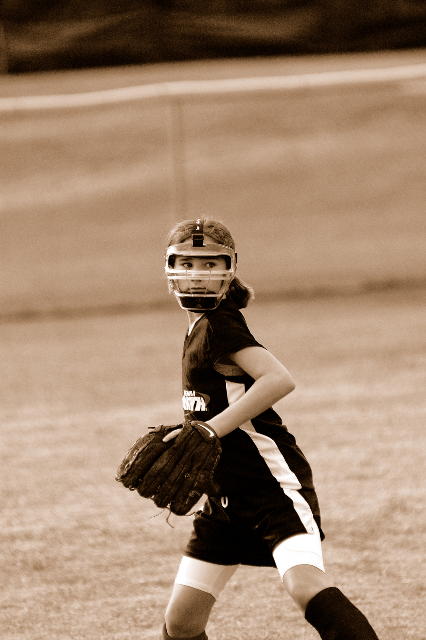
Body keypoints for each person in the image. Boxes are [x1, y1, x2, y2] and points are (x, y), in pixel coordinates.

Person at [159, 217, 379, 640]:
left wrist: (208, 431)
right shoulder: (199, 326)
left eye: (210, 264)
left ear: (230, 269)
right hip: (224, 499)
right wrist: (191, 430)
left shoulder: (220, 324)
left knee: (304, 585)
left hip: (270, 489)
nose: (198, 274)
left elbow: (278, 379)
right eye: (187, 263)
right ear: (170, 269)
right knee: (182, 623)